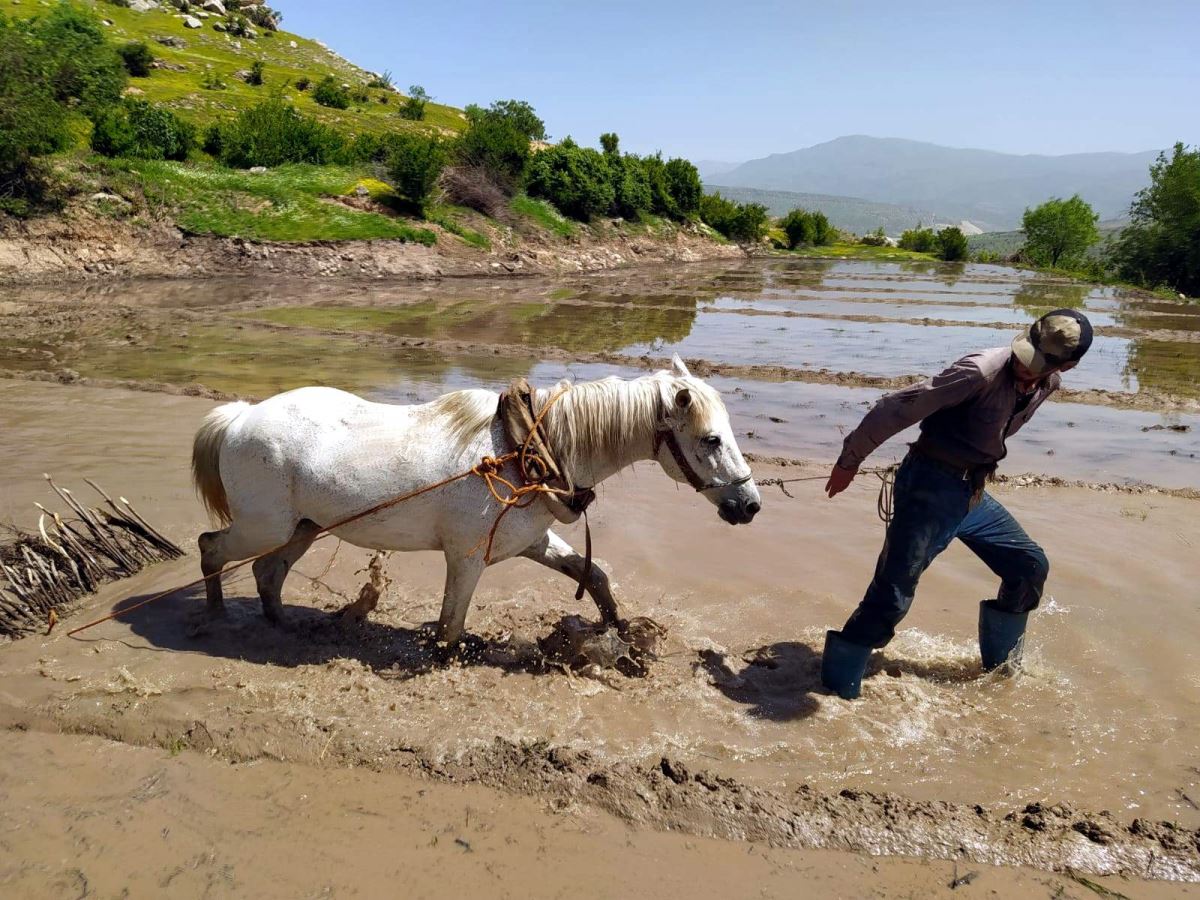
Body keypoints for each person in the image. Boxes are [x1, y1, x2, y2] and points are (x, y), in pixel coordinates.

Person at [821, 308, 1093, 699]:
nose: (1024, 366)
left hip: (972, 493)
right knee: (892, 595)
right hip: (929, 488)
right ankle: (834, 690)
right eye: (1026, 353)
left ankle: (1000, 674)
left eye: (1037, 366)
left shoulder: (1047, 384)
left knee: (1028, 566)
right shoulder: (978, 372)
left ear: (1067, 365)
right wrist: (849, 461)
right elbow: (896, 409)